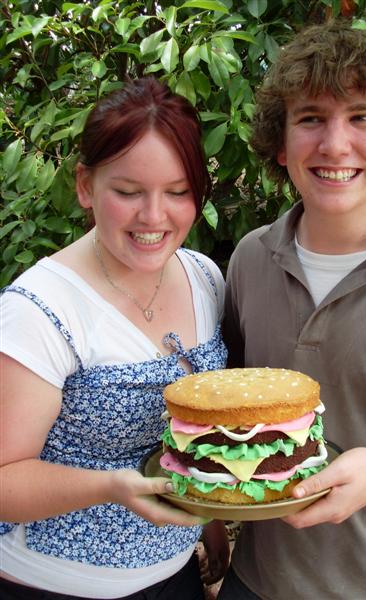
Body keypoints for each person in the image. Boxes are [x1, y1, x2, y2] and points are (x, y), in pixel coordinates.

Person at [219, 21, 366, 600]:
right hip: (258, 582)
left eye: (362, 117)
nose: (335, 145)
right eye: (311, 118)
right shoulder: (251, 259)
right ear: (281, 142)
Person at [0, 76, 230, 600]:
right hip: (52, 586)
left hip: (174, 576)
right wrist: (110, 487)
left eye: (178, 192)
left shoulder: (202, 276)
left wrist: (210, 517)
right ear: (86, 186)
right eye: (128, 192)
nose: (154, 217)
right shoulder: (39, 309)